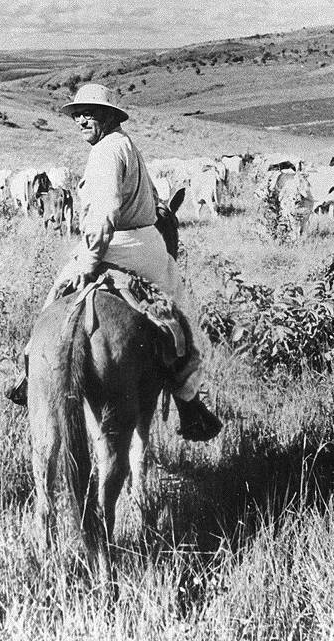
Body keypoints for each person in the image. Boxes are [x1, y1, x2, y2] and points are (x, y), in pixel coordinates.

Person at [41, 82, 222, 442]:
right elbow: (154, 201)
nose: (81, 120)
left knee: (54, 298)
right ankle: (189, 402)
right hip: (149, 246)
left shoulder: (106, 152)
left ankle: (32, 373)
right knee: (179, 318)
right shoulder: (128, 146)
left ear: (109, 115)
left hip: (113, 244)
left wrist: (90, 261)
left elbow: (106, 212)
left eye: (89, 113)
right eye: (78, 114)